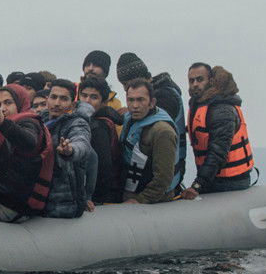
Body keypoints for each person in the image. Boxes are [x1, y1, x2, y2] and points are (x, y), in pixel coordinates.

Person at [0, 84, 55, 222]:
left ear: (21, 103)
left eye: (8, 103)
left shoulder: (29, 122)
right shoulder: (15, 123)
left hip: (5, 205)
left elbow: (28, 142)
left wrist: (3, 123)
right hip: (14, 205)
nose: (2, 108)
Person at [186, 66, 255, 195]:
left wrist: (198, 185)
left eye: (200, 79)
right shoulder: (200, 105)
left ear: (211, 81)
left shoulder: (221, 110)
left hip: (231, 182)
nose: (195, 84)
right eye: (191, 80)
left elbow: (218, 152)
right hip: (213, 178)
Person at [39, 79, 95, 218]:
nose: (57, 103)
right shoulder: (39, 120)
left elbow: (82, 143)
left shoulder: (77, 123)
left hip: (63, 205)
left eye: (63, 99)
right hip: (39, 199)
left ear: (72, 104)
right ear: (47, 99)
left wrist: (70, 150)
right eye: (53, 97)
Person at [121, 77, 181, 205]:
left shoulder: (162, 131)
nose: (135, 105)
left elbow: (163, 177)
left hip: (152, 200)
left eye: (140, 100)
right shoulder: (129, 120)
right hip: (131, 190)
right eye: (131, 100)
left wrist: (140, 200)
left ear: (152, 102)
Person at [79, 76, 124, 205]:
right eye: (84, 95)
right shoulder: (86, 122)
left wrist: (93, 198)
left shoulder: (98, 128)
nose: (87, 101)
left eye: (94, 97)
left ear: (103, 102)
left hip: (99, 198)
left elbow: (104, 168)